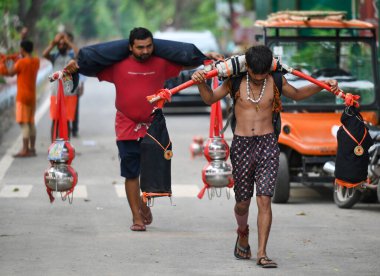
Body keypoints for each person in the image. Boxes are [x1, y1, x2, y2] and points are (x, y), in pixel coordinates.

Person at [191, 45, 339, 268]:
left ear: (269, 68)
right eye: (254, 74)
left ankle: (262, 253)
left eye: (263, 75)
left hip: (268, 143)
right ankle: (242, 232)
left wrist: (322, 87)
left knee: (264, 200)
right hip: (241, 145)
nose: (259, 79)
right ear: (247, 67)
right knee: (242, 203)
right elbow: (210, 99)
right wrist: (201, 81)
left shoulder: (277, 80)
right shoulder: (234, 81)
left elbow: (297, 95)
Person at [65, 27, 223, 232]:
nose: (145, 51)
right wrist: (74, 66)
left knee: (152, 170)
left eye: (149, 46)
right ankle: (136, 217)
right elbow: (88, 69)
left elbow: (185, 62)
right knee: (131, 172)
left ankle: (142, 201)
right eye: (140, 47)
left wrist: (206, 57)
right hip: (126, 124)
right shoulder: (116, 65)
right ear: (130, 47)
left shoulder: (162, 63)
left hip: (154, 125)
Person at [0, 40, 40, 157]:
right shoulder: (36, 61)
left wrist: (2, 62)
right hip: (32, 96)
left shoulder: (21, 63)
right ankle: (32, 149)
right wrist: (13, 58)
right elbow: (22, 63)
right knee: (31, 123)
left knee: (24, 124)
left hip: (22, 97)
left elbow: (10, 73)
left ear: (22, 49)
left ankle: (24, 150)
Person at [42, 32, 79, 141]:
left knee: (67, 121)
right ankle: (53, 146)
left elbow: (79, 54)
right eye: (59, 44)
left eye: (63, 44)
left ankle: (67, 146)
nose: (61, 46)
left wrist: (68, 42)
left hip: (70, 94)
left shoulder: (72, 56)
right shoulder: (54, 56)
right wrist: (53, 42)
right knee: (55, 120)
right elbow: (44, 54)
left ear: (67, 45)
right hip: (56, 94)